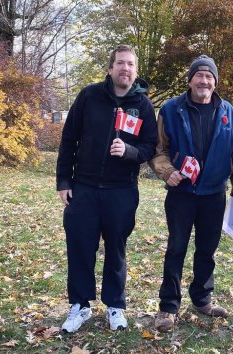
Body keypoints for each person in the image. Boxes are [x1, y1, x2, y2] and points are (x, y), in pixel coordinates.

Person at [56, 44, 157, 333]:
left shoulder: (143, 106)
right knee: (79, 247)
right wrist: (64, 181)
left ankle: (116, 306)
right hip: (84, 188)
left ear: (136, 71)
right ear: (111, 68)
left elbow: (150, 147)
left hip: (121, 191)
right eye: (120, 63)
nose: (125, 68)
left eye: (130, 64)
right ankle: (80, 306)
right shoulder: (90, 96)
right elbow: (68, 139)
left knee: (116, 249)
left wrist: (128, 151)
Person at [148, 55, 233, 332]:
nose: (204, 81)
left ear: (215, 82)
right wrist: (168, 172)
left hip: (214, 194)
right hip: (182, 193)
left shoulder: (228, 112)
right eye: (199, 76)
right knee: (176, 248)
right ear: (190, 79)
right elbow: (158, 149)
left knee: (207, 250)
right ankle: (168, 306)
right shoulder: (170, 109)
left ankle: (202, 299)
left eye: (209, 77)